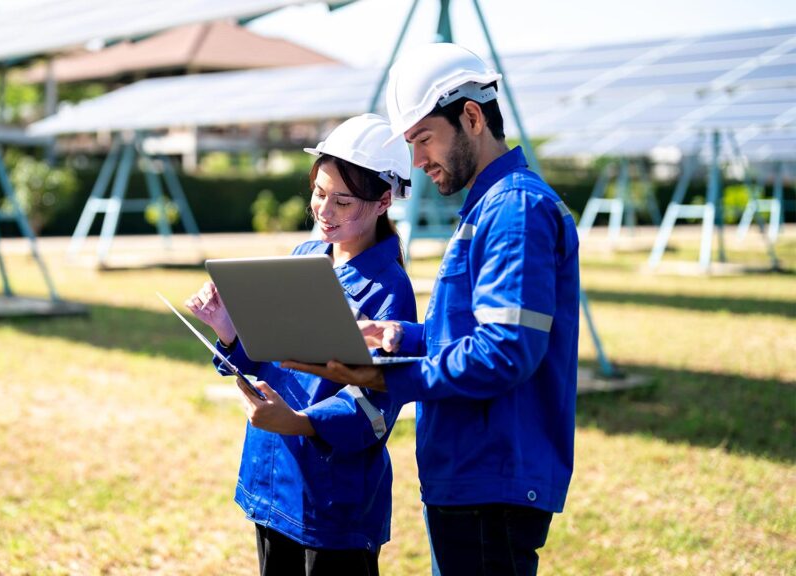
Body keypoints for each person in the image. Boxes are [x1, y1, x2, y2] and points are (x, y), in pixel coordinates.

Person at [283, 43, 581, 575]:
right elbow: (478, 335)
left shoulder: (514, 209)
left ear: (471, 117)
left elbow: (506, 352)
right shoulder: (492, 206)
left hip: (491, 476)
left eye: (423, 140)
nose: (417, 162)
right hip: (473, 473)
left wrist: (379, 377)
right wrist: (398, 336)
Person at [185, 113, 416, 576]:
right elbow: (270, 355)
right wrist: (228, 331)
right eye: (319, 193)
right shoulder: (303, 258)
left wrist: (299, 421)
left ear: (383, 200)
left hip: (332, 502)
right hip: (273, 478)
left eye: (343, 201)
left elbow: (375, 406)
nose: (324, 211)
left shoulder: (391, 291)